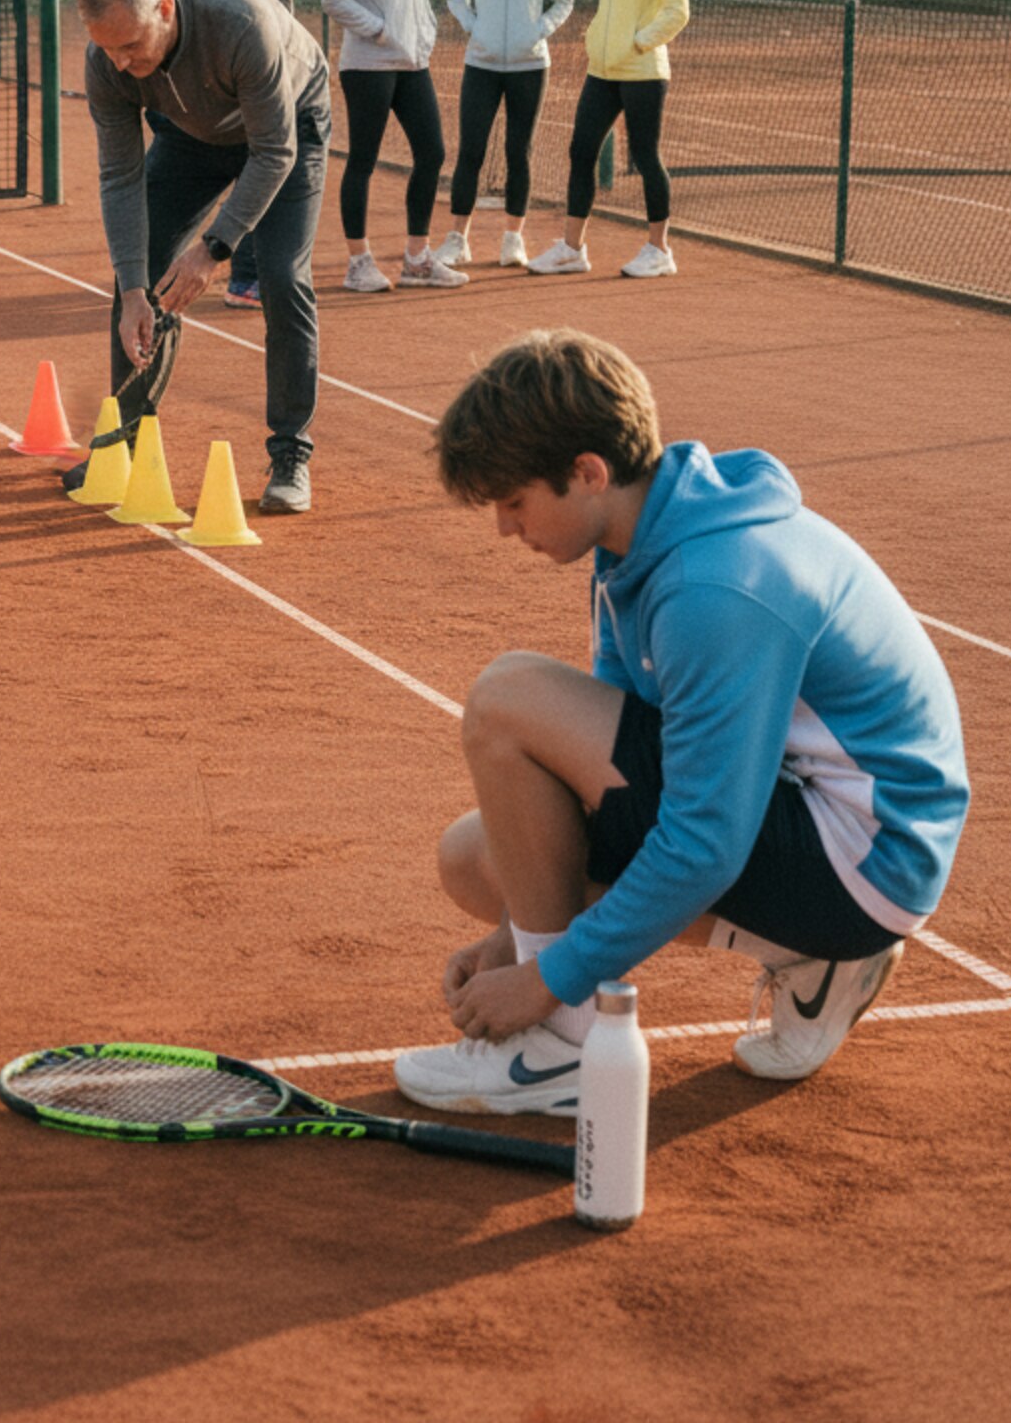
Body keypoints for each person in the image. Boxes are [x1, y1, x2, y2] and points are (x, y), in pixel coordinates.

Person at [395, 328, 969, 1115]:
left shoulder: (715, 589)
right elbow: (612, 761)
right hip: (814, 823)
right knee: (478, 857)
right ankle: (813, 962)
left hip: (864, 863)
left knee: (506, 699)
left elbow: (705, 842)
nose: (504, 526)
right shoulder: (641, 540)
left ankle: (560, 1050)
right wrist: (517, 928)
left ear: (587, 473)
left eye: (515, 500)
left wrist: (545, 981)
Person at [73, 0, 330, 515]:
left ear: (165, 9)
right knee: (137, 269)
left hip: (286, 132)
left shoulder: (241, 25)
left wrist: (215, 248)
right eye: (105, 47)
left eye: (131, 46)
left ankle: (291, 453)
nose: (118, 62)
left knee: (283, 278)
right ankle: (126, 445)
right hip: (193, 134)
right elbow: (119, 177)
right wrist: (135, 288)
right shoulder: (108, 62)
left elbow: (274, 151)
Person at [528, 0, 689, 280]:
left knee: (645, 157)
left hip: (642, 71)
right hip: (602, 71)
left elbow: (677, 11)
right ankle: (572, 249)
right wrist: (599, 37)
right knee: (581, 151)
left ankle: (659, 250)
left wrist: (638, 42)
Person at [320, 0, 463, 292]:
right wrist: (381, 29)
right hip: (367, 63)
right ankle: (358, 262)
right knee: (363, 159)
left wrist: (423, 30)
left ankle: (417, 259)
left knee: (432, 152)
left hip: (410, 61)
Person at [438, 0, 572, 271]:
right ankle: (457, 239)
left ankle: (513, 239)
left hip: (531, 66)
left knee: (519, 152)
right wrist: (475, 28)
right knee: (471, 152)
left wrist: (539, 30)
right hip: (481, 64)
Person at [206, 0, 312, 312]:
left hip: (254, 59)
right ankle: (246, 277)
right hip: (259, 63)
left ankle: (247, 274)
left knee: (262, 164)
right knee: (267, 165)